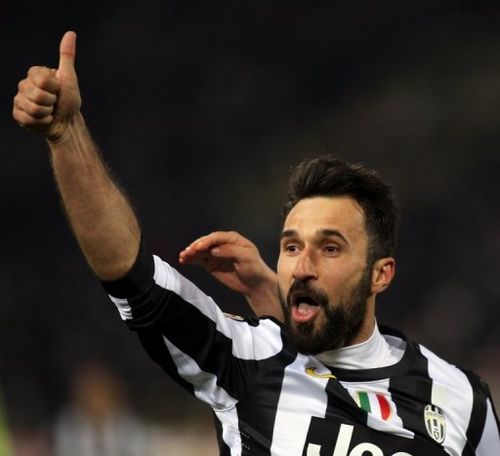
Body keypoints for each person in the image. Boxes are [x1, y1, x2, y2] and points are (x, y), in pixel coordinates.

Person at [13, 31, 499, 456]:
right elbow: (131, 276)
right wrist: (66, 135)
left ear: (380, 273)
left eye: (330, 248)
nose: (302, 265)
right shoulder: (250, 361)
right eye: (290, 246)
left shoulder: (462, 401)